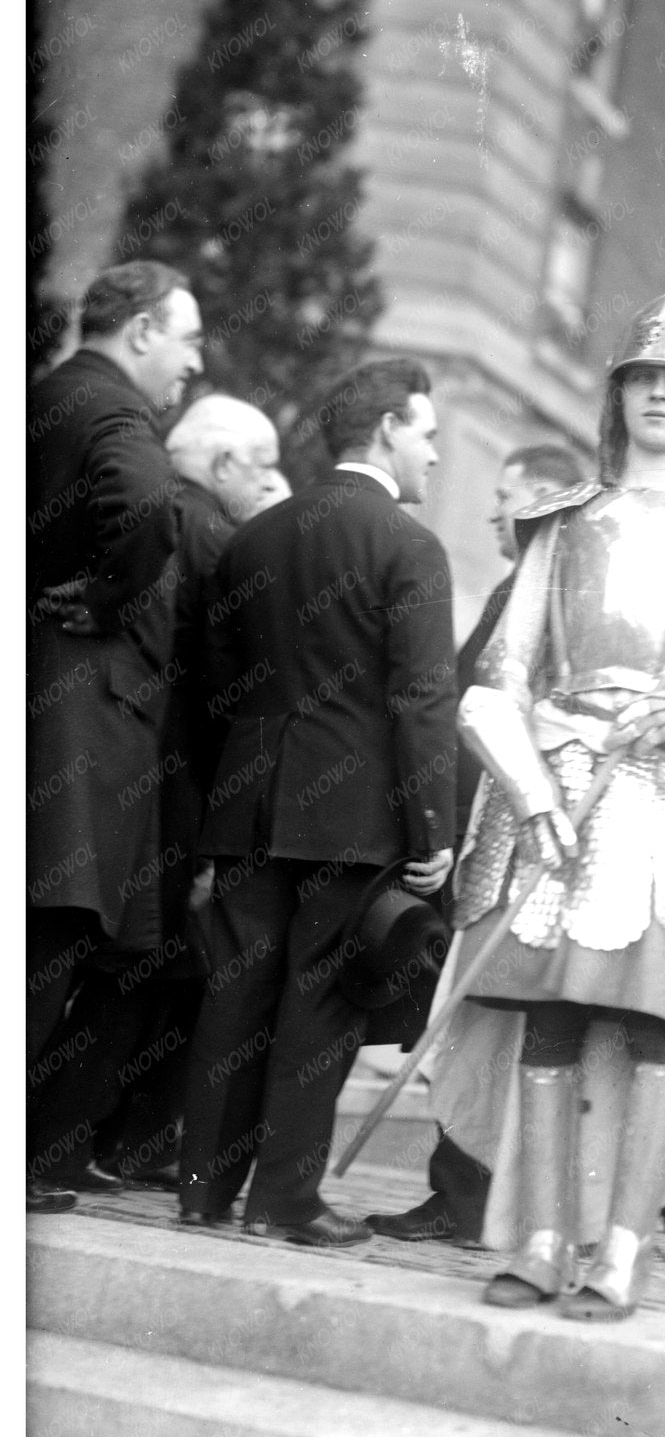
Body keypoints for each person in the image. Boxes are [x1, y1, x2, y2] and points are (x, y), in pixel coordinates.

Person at [452, 271, 665, 1318]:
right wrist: (534, 789)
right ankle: (542, 1237)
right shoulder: (563, 520)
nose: (659, 395)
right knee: (548, 1021)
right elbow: (496, 679)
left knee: (648, 1030)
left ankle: (622, 1247)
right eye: (643, 377)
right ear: (619, 393)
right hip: (565, 785)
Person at [176, 358, 459, 1245]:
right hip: (352, 811)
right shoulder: (410, 547)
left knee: (236, 992)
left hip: (249, 797)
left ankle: (202, 1189)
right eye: (428, 434)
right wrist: (433, 830)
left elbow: (219, 684)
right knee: (321, 1001)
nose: (437, 457)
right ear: (385, 431)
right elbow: (422, 701)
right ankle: (285, 1201)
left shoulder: (256, 536)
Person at [365, 442, 585, 1245]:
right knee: (472, 1028)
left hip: (516, 841)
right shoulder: (513, 590)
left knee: (494, 1025)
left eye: (510, 497)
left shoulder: (555, 598)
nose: (495, 511)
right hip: (481, 834)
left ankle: (472, 1197)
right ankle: (463, 1191)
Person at [73, 398, 290, 1186]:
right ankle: (81, 1142)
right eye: (261, 467)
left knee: (130, 967)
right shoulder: (215, 540)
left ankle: (89, 1141)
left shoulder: (163, 519)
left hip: (133, 770)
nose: (267, 483)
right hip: (176, 787)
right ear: (226, 466)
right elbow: (224, 690)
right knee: (144, 971)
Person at [27, 259, 204, 1209]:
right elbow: (143, 506)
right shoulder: (116, 413)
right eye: (187, 338)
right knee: (51, 935)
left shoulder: (39, 397)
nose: (194, 363)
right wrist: (110, 593)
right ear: (140, 331)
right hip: (75, 720)